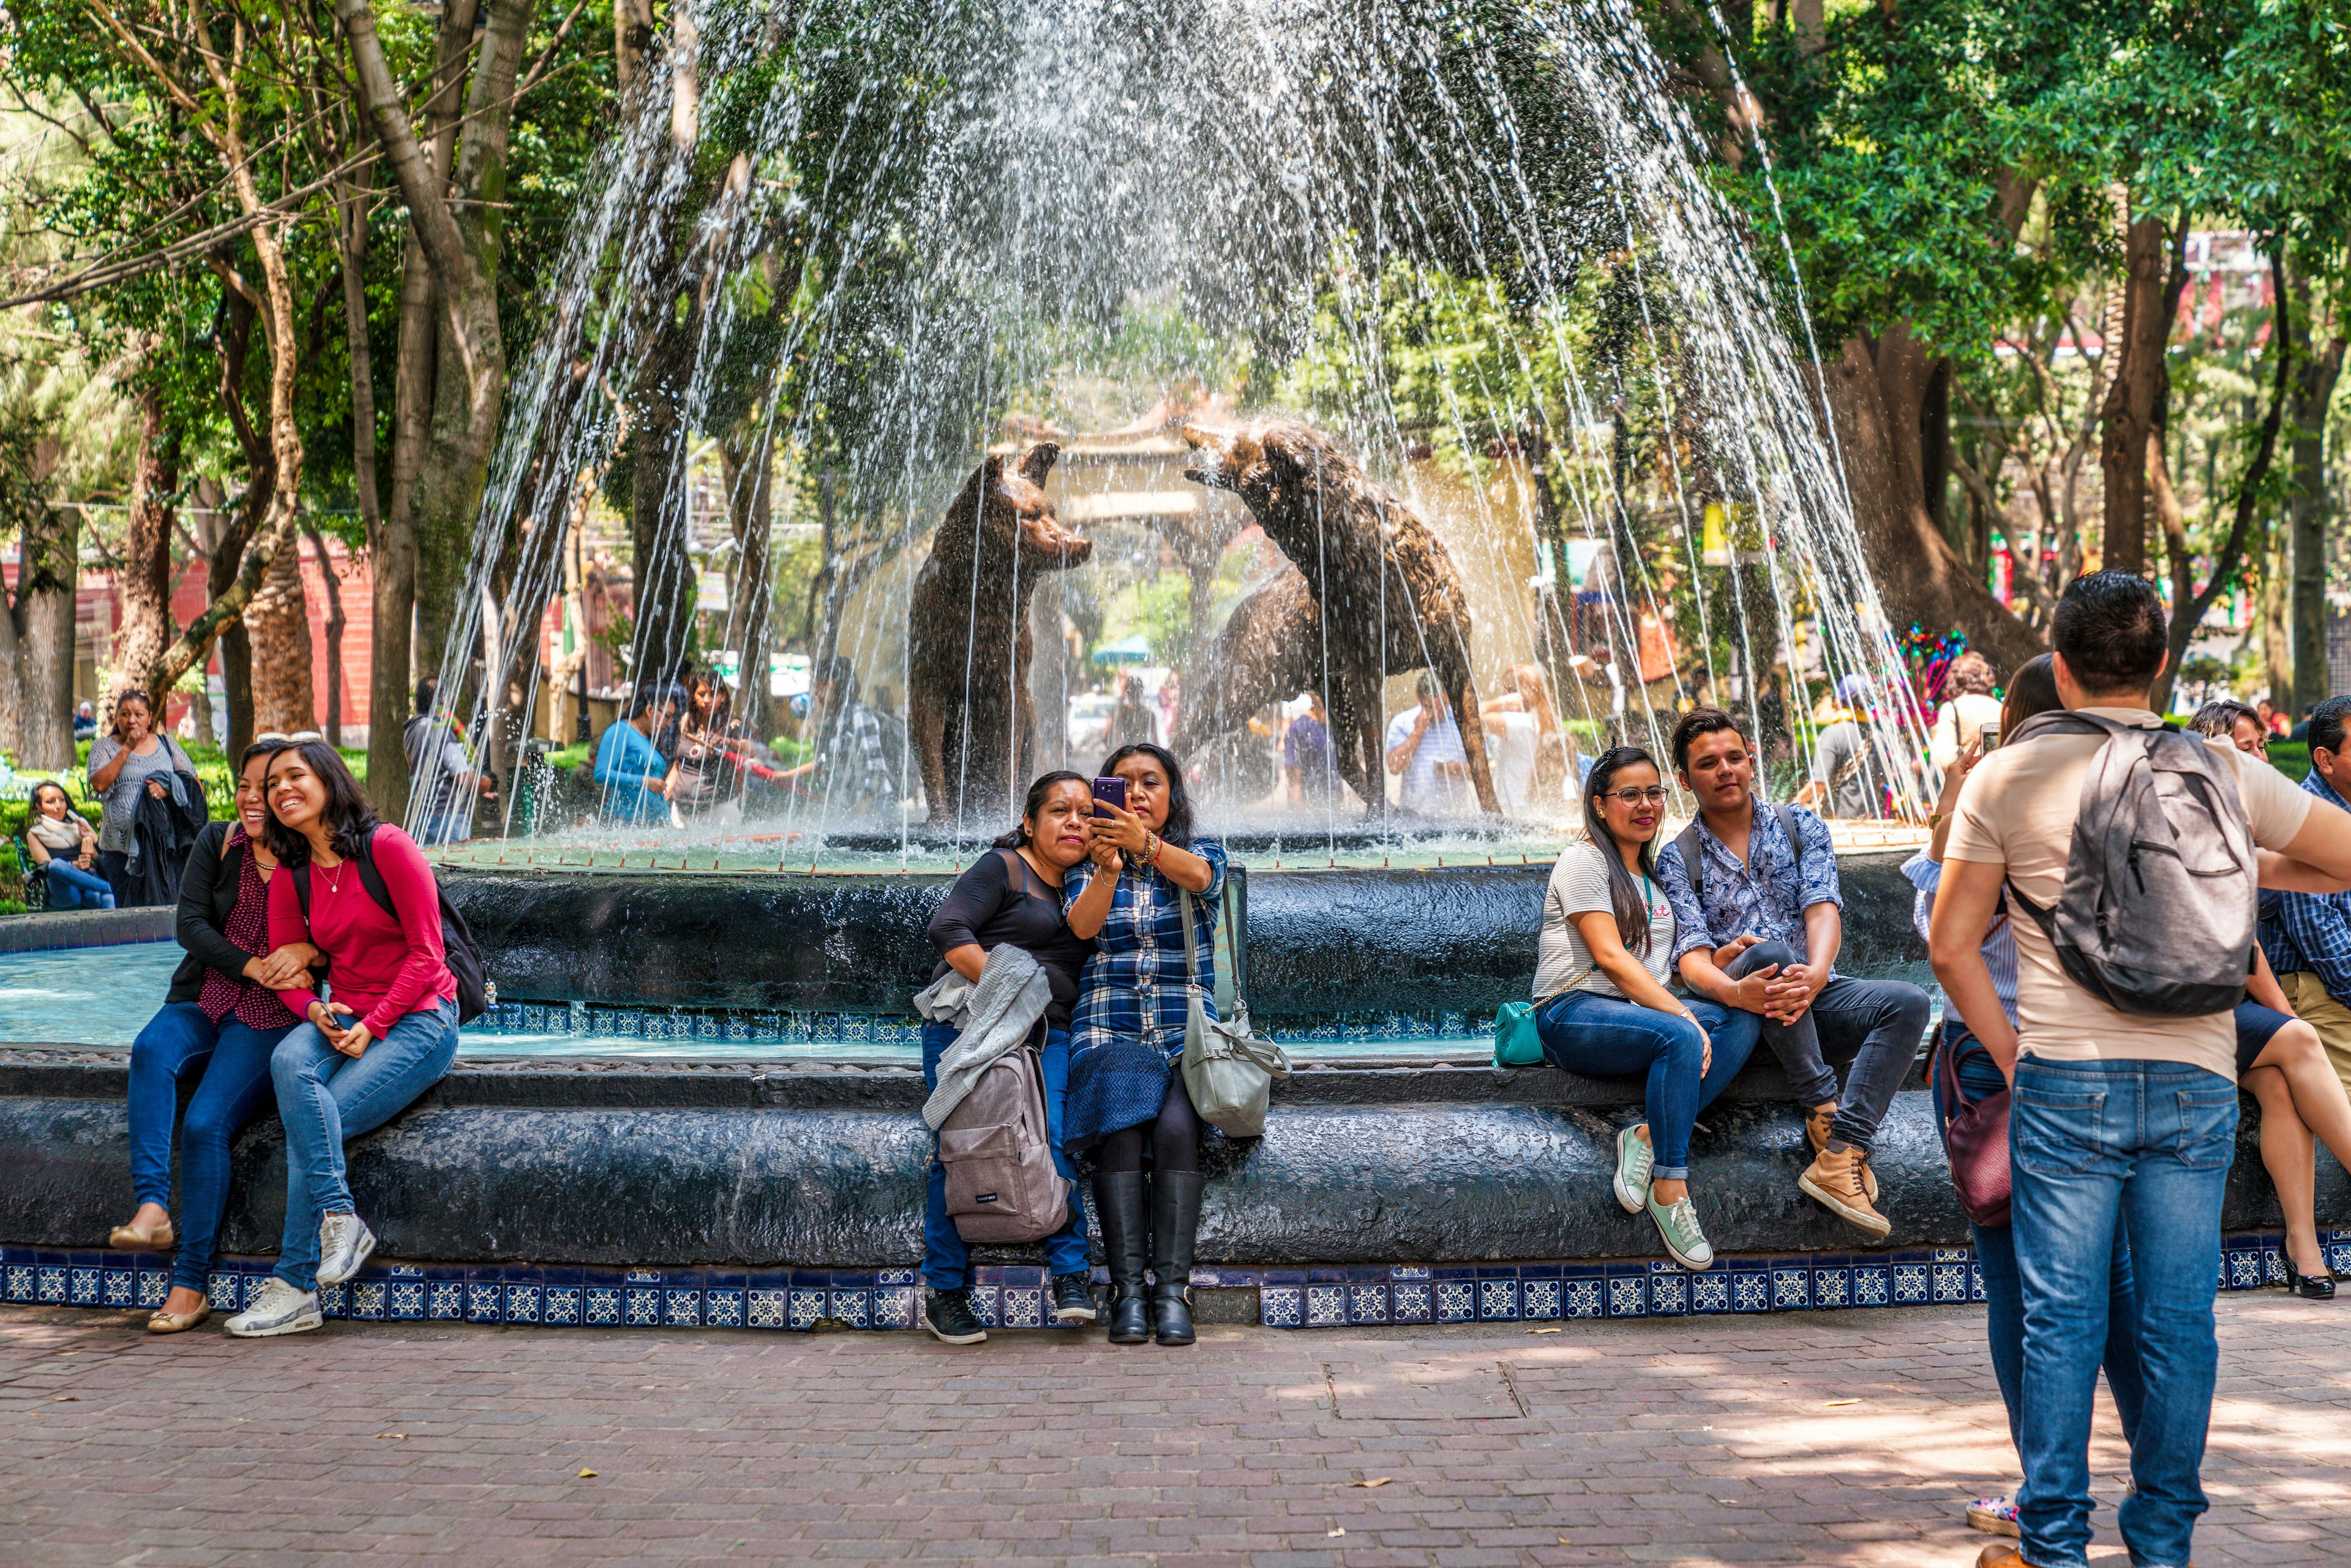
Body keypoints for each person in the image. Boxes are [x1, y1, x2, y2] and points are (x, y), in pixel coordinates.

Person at [1930, 573, 2351, 1568]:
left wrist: (2011, 1053)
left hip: (2065, 1078)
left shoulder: (2007, 778)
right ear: (2162, 663)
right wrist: (2244, 862)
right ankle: (2162, 1548)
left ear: (2062, 665)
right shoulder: (2222, 767)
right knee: (2175, 1324)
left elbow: (1952, 947)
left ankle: (2055, 1545)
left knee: (2061, 1320)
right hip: (2196, 1081)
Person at [1907, 656, 2147, 1540]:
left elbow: (1940, 932)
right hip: (2114, 1065)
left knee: (2020, 1283)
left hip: (2002, 1065)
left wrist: (1956, 791)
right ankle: (2155, 1474)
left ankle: (2045, 1492)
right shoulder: (2124, 801)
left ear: (2010, 719)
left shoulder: (1999, 802)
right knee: (2117, 1279)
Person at [1657, 707, 1930, 1237]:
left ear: (1751, 760)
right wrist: (1737, 990)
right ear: (1685, 780)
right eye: (1708, 763)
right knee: (1769, 954)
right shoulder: (1677, 857)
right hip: (1743, 1020)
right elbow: (1690, 960)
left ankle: (1841, 1149)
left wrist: (1820, 972)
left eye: (1735, 757)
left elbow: (1823, 908)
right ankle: (1822, 1105)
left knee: (1909, 1002)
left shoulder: (1799, 824)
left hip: (1809, 994)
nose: (1725, 770)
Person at [223, 742, 462, 1338]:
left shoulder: (389, 847)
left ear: (329, 778)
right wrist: (314, 1007)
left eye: (294, 775)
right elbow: (286, 971)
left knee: (317, 1118)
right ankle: (340, 1215)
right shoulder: (292, 871)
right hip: (344, 1012)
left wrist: (375, 1023)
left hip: (420, 1015)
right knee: (289, 1058)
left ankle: (295, 1284)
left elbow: (429, 956)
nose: (279, 789)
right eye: (272, 782)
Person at [107, 737, 313, 1334]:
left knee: (204, 1123)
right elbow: (189, 925)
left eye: (267, 787)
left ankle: (190, 1281)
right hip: (207, 995)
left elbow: (331, 941)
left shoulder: (310, 857)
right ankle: (152, 1207)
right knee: (151, 1048)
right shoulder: (218, 841)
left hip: (270, 1016)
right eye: (246, 785)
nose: (253, 797)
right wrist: (249, 964)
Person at [1532, 746, 1761, 1268]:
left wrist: (1713, 966)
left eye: (1654, 793)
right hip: (1571, 1011)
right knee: (1680, 1034)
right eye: (1629, 794)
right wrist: (1682, 1016)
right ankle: (1671, 1188)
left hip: (1638, 1015)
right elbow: (1612, 959)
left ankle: (1646, 1136)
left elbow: (1656, 969)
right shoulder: (1583, 860)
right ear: (1599, 803)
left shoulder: (1652, 874)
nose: (1646, 805)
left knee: (1743, 1014)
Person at [918, 772, 1101, 1345]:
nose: (1075, 821)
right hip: (973, 1025)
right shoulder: (1004, 867)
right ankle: (944, 1291)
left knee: (1055, 1138)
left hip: (1051, 1033)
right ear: (1030, 821)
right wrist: (1012, 991)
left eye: (1086, 813)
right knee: (964, 1147)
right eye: (1060, 810)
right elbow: (948, 927)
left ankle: (1071, 1276)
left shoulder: (1085, 886)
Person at [1062, 741, 1225, 1348]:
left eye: (1150, 781)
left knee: (1178, 1128)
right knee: (1123, 1126)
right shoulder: (1085, 861)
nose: (1136, 792)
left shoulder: (1199, 853)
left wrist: (1145, 846)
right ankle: (1128, 1291)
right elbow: (1081, 928)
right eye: (1121, 783)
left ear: (1172, 793)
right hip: (1111, 1023)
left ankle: (1171, 1291)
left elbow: (1204, 880)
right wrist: (1110, 865)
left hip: (1188, 1033)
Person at [2233, 693, 2351, 1290]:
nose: (2259, 761)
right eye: (2245, 750)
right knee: (2294, 1049)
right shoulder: (2290, 821)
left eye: (2260, 746)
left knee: (2281, 1081)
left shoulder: (2256, 835)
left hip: (2246, 1004)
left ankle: (2302, 1245)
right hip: (2194, 1009)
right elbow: (2325, 949)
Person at [87, 688, 203, 907]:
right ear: (117, 717)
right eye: (125, 714)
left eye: (139, 714)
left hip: (163, 848)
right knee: (129, 914)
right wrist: (128, 747)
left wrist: (168, 789)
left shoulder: (166, 745)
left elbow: (195, 785)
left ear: (149, 718)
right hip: (120, 851)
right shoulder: (103, 747)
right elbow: (100, 784)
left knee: (166, 910)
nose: (132, 720)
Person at [778, 657, 897, 817]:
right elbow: (828, 760)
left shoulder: (860, 715)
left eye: (817, 686)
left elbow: (877, 769)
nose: (815, 694)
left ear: (830, 685)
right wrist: (788, 776)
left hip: (875, 812)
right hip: (855, 811)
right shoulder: (841, 719)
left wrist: (859, 814)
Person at [403, 677, 497, 846]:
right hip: (446, 821)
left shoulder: (413, 729)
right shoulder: (441, 732)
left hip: (422, 818)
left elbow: (430, 769)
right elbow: (463, 777)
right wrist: (485, 783)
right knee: (454, 871)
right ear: (443, 700)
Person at [1385, 670, 1471, 816]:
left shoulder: (1463, 722)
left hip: (1457, 819)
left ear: (1448, 696)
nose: (1437, 712)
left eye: (1442, 705)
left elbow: (1482, 769)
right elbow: (1394, 767)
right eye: (1430, 706)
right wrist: (1418, 732)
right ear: (1418, 696)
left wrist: (1457, 769)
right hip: (1414, 817)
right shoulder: (1403, 722)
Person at [593, 683, 680, 824]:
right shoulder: (620, 731)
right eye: (667, 717)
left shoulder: (648, 739)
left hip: (655, 824)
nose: (669, 723)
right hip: (626, 823)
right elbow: (601, 774)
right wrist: (643, 781)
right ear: (650, 709)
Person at [1796, 677, 1880, 820]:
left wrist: (1797, 802)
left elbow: (1819, 784)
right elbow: (1883, 781)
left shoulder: (1832, 734)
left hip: (1840, 824)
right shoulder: (1878, 737)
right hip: (1874, 822)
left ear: (1839, 702)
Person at [23, 781, 112, 909]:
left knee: (107, 898)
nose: (59, 806)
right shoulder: (35, 833)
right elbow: (47, 867)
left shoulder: (77, 827)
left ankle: (122, 928)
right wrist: (74, 865)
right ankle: (108, 887)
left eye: (62, 800)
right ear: (39, 807)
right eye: (51, 802)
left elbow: (98, 859)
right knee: (55, 865)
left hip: (89, 882)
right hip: (66, 891)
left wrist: (93, 837)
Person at [1930, 651, 2003, 769]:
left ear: (1955, 681)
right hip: (1997, 781)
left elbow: (1943, 759)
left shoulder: (1952, 709)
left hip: (1967, 784)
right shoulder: (2000, 708)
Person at [1283, 689, 1335, 803]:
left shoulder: (1337, 726)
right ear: (1311, 693)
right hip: (1311, 804)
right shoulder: (1299, 728)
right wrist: (1300, 817)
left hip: (1335, 804)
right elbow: (1294, 781)